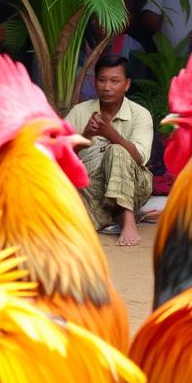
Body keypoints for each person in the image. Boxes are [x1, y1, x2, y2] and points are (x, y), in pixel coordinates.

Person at [65, 56, 156, 246]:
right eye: (102, 80)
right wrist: (85, 136)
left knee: (117, 150)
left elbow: (140, 158)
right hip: (93, 187)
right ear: (95, 82)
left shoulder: (140, 114)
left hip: (134, 186)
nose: (107, 87)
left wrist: (111, 134)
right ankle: (115, 216)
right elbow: (61, 157)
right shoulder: (80, 112)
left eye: (114, 81)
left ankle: (128, 219)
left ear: (127, 84)